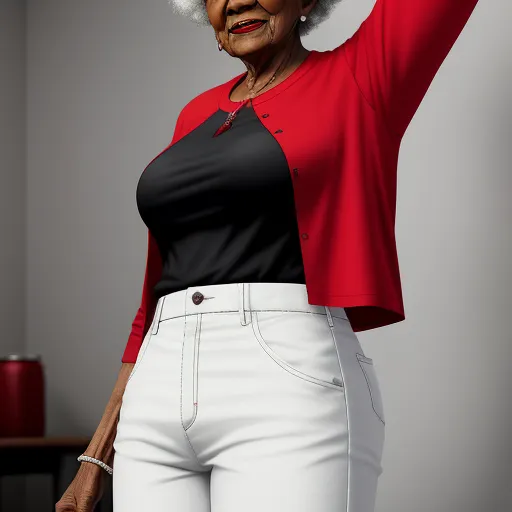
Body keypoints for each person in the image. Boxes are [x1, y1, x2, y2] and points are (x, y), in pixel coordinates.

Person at [56, 0, 480, 510]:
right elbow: (153, 299)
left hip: (285, 388)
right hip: (156, 391)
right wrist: (99, 451)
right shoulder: (195, 113)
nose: (234, 1)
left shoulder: (361, 77)